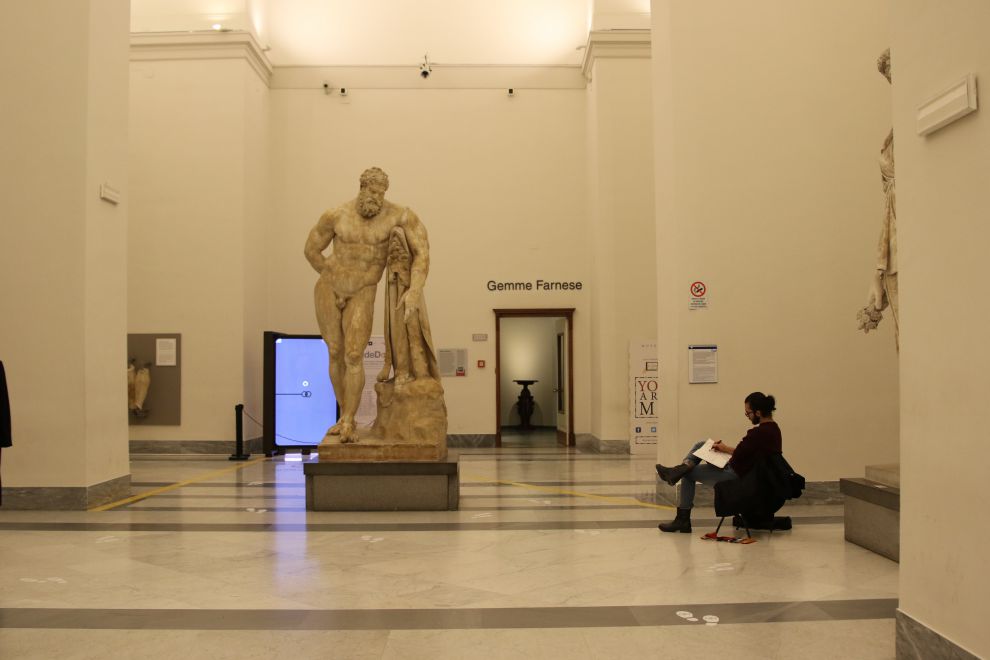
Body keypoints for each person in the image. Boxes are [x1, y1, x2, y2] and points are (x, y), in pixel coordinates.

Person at [304, 167, 431, 443]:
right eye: (372, 191)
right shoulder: (335, 215)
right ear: (361, 188)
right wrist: (330, 273)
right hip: (329, 287)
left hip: (363, 290)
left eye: (381, 193)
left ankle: (350, 419)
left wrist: (415, 289)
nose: (377, 197)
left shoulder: (399, 216)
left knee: (352, 354)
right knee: (335, 351)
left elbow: (422, 252)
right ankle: (342, 416)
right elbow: (311, 249)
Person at [655, 392, 782, 533]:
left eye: (748, 413)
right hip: (743, 471)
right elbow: (747, 453)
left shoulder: (757, 433)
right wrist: (723, 450)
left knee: (688, 473)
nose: (748, 416)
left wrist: (724, 448)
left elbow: (740, 453)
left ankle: (682, 517)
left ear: (758, 413)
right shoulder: (774, 429)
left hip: (738, 476)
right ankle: (679, 470)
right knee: (702, 444)